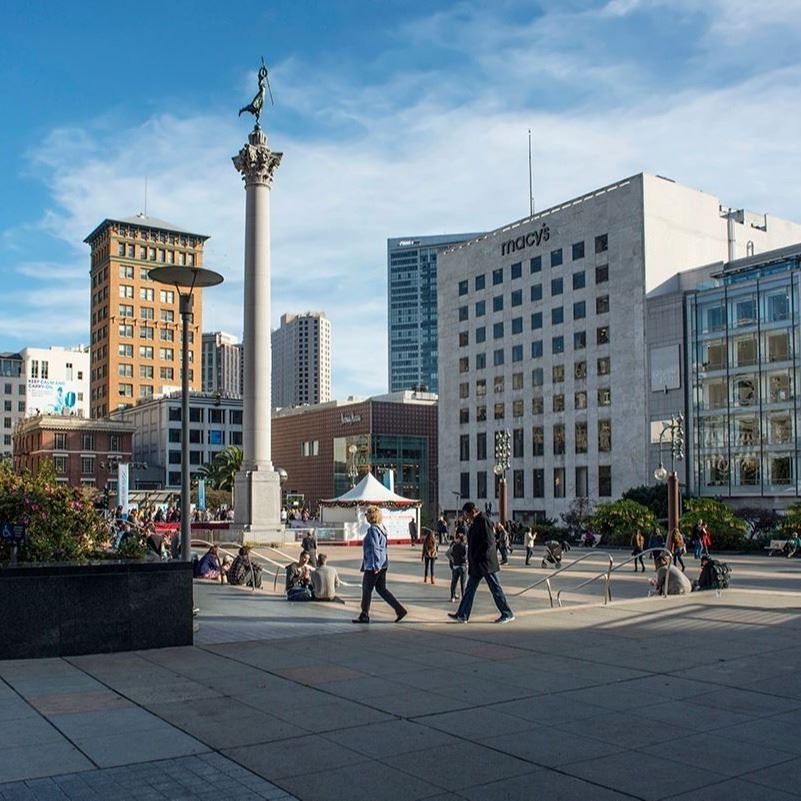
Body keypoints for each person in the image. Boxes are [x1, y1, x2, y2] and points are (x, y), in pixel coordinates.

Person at [448, 501, 514, 624]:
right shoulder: (476, 522)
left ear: (473, 511)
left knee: (495, 588)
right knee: (470, 589)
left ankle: (507, 613)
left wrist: (477, 556)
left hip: (485, 563)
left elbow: (489, 542)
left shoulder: (484, 521)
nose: (466, 518)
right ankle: (462, 615)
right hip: (478, 564)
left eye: (467, 515)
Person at [353, 506, 407, 624]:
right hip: (383, 564)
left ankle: (364, 614)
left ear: (371, 516)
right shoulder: (382, 528)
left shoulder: (373, 530)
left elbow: (375, 547)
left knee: (367, 589)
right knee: (381, 589)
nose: (365, 516)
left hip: (374, 565)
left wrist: (376, 565)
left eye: (367, 514)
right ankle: (399, 610)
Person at [447, 532, 467, 602]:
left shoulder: (454, 546)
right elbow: (467, 555)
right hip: (463, 566)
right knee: (463, 582)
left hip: (455, 566)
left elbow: (447, 553)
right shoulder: (465, 546)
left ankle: (452, 596)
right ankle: (463, 597)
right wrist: (466, 561)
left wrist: (452, 560)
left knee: (454, 582)